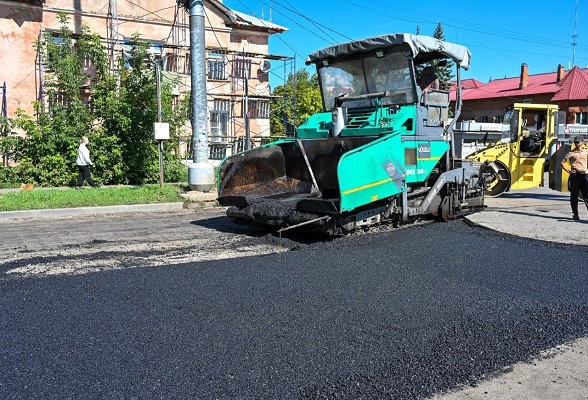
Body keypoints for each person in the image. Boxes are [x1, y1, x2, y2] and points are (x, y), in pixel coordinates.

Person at [560, 136, 588, 220]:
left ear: (582, 142)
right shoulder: (571, 153)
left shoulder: (586, 152)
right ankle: (575, 214)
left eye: (578, 142)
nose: (577, 144)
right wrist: (569, 171)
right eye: (575, 142)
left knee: (586, 195)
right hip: (575, 175)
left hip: (585, 175)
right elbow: (562, 162)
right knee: (574, 195)